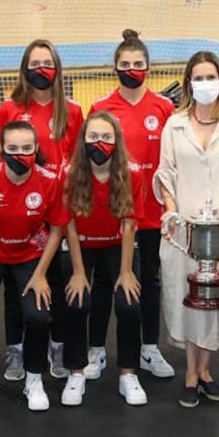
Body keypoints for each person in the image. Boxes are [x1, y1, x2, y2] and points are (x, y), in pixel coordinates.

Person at [154, 50, 219, 408]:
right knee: (188, 300)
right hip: (183, 233)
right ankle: (190, 373)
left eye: (209, 77)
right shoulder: (174, 125)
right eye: (197, 78)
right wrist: (170, 213)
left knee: (215, 299)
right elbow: (166, 174)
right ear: (188, 84)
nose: (204, 84)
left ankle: (206, 372)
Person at [88, 29, 176, 380]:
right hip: (111, 215)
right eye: (125, 64)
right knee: (103, 282)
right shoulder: (101, 109)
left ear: (148, 68)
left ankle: (149, 347)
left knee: (150, 281)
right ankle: (96, 350)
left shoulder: (164, 108)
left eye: (138, 64)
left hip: (152, 213)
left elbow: (171, 163)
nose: (132, 69)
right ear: (115, 68)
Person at [0, 121, 71, 412]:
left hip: (29, 255)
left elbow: (56, 229)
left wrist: (40, 274)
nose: (20, 154)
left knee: (38, 316)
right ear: (0, 150)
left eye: (27, 148)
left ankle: (34, 378)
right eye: (13, 149)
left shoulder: (49, 180)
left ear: (36, 149)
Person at [0, 39, 84, 381]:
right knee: (15, 283)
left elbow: (78, 161)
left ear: (57, 68)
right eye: (34, 63)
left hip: (57, 210)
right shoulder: (9, 109)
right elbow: (0, 158)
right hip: (20, 210)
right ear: (24, 69)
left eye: (47, 62)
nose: (41, 69)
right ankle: (16, 350)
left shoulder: (72, 111)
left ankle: (57, 344)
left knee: (57, 281)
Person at [62, 111, 148, 406]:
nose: (100, 142)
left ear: (117, 141)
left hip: (117, 244)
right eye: (93, 137)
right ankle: (76, 371)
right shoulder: (71, 174)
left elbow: (129, 224)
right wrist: (77, 271)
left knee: (129, 304)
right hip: (81, 245)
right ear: (83, 141)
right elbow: (69, 226)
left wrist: (125, 272)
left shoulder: (132, 173)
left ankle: (128, 374)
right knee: (76, 301)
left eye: (107, 137)